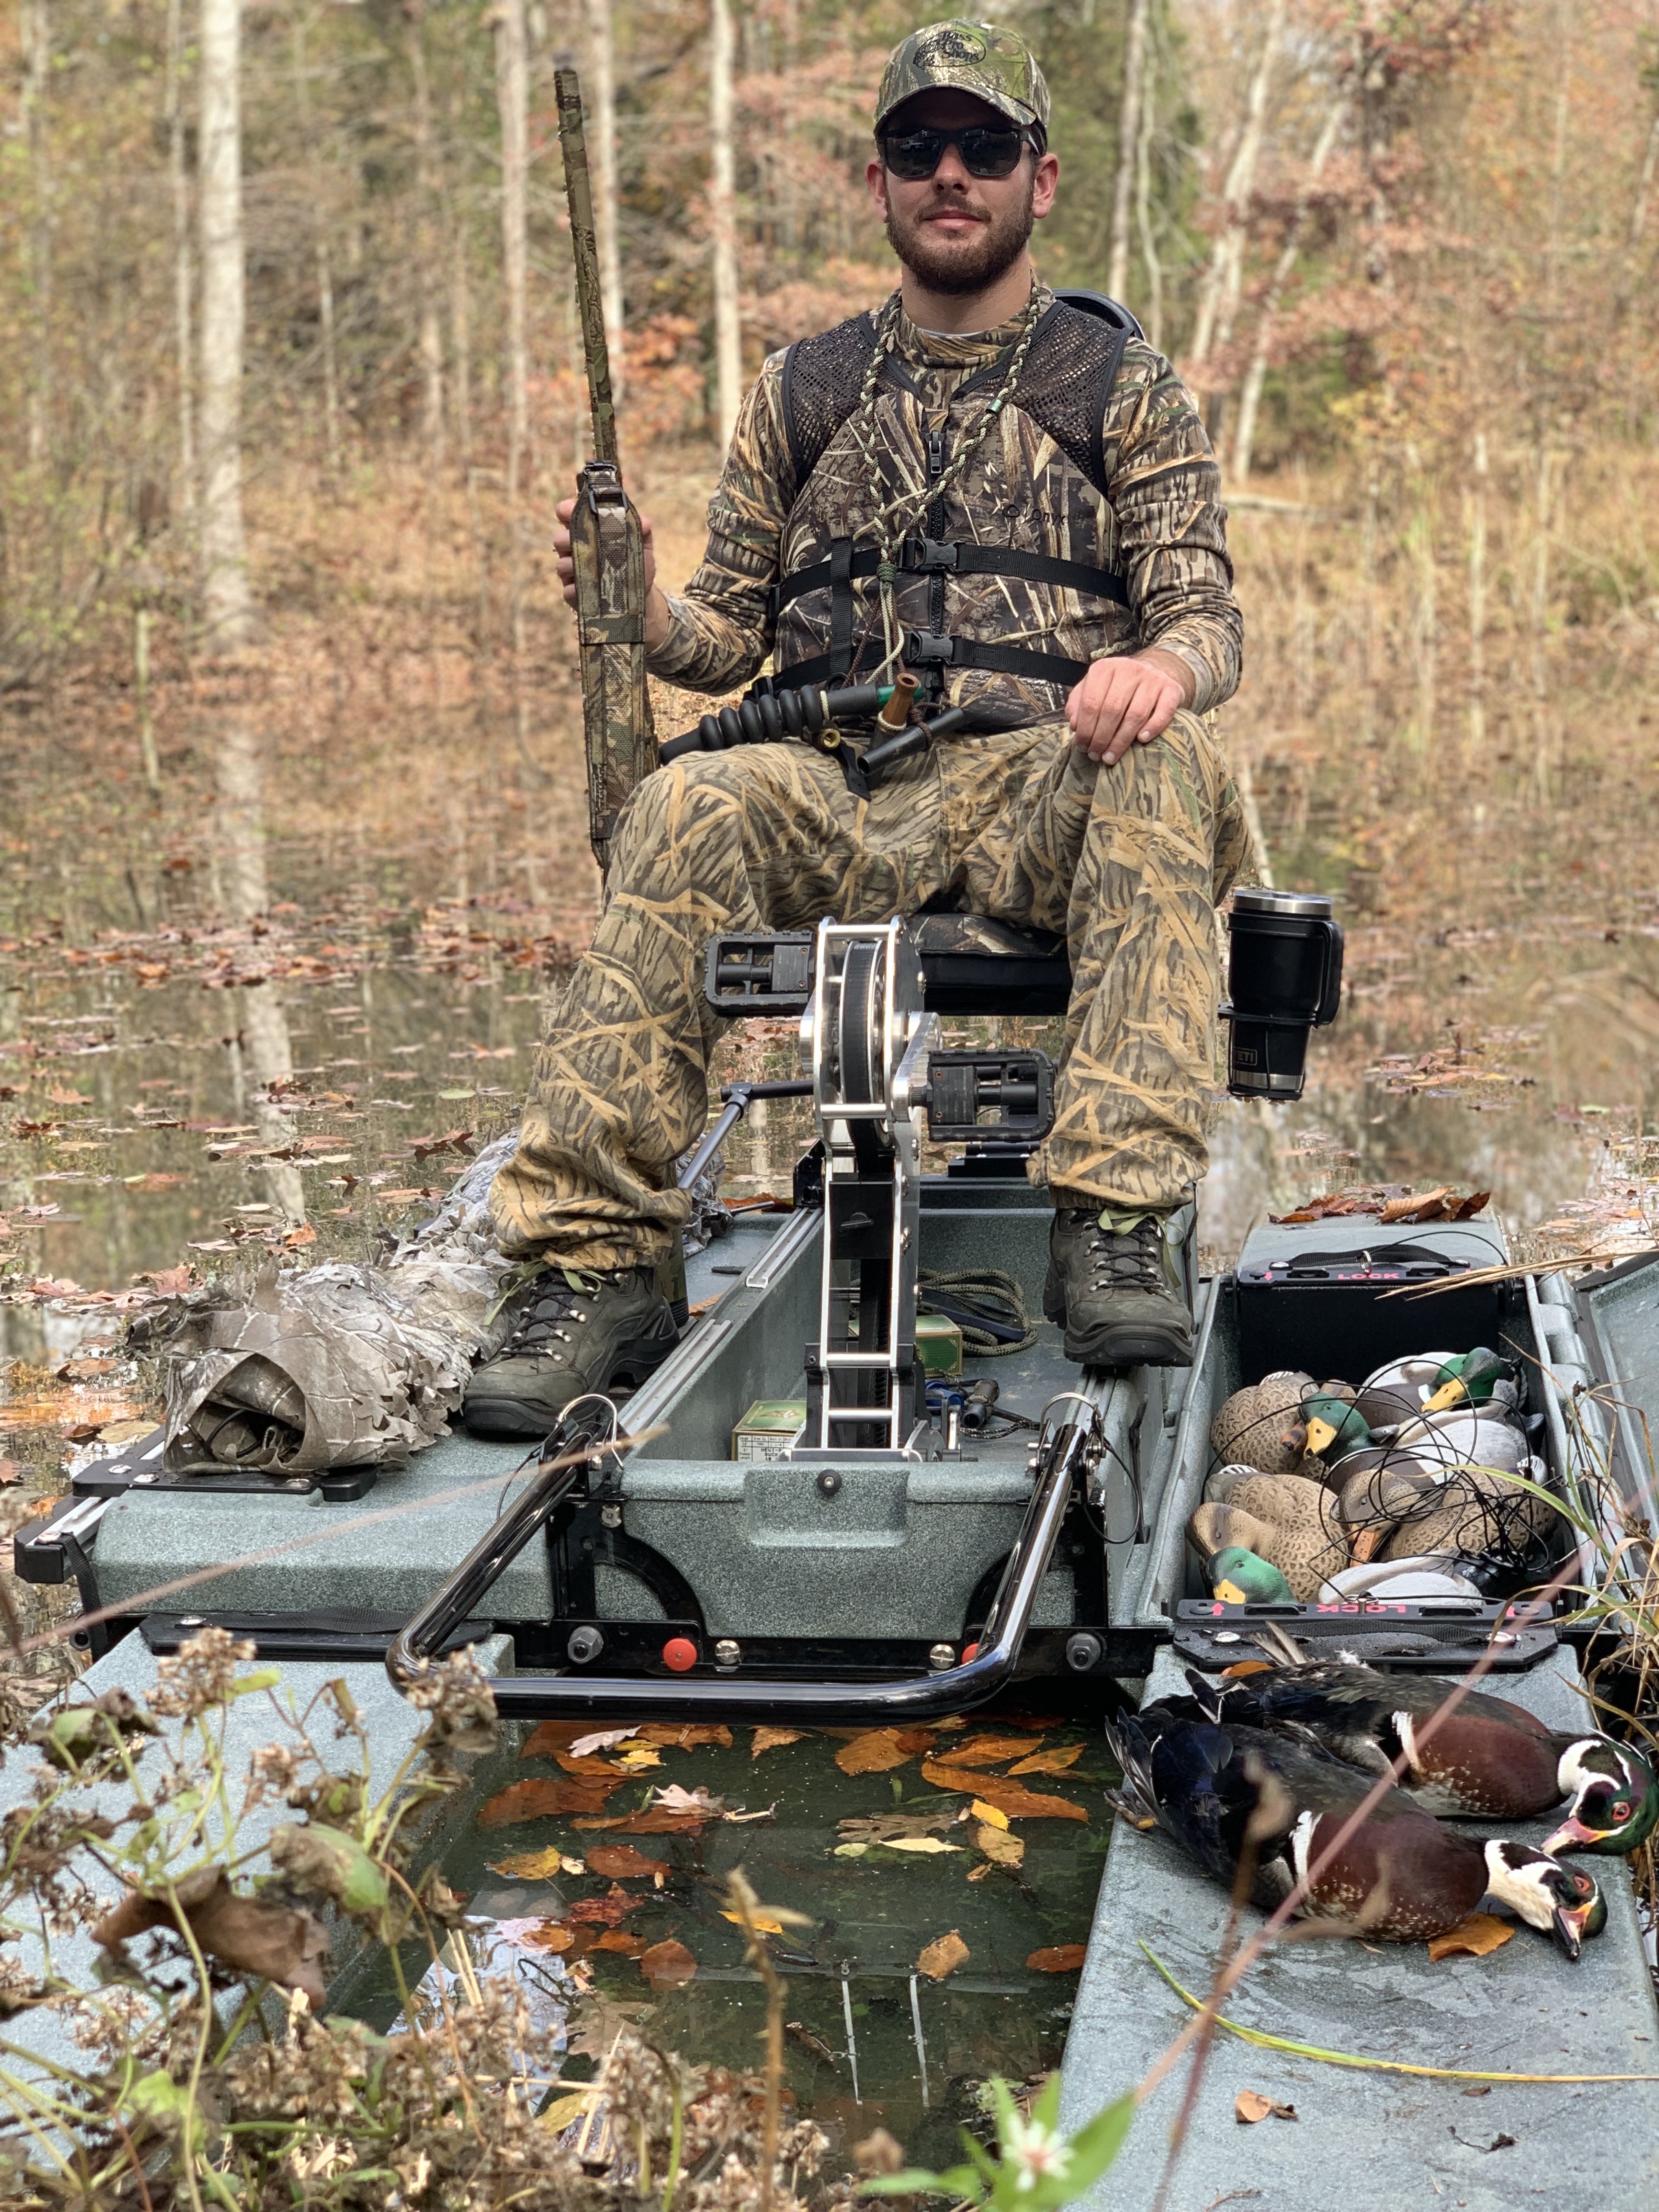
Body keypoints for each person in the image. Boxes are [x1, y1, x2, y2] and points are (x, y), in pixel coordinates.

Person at [464, 16, 1248, 1437]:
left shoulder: (1119, 386)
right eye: (918, 148)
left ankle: (1117, 1217)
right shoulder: (801, 393)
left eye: (985, 147)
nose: (953, 173)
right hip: (838, 792)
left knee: (1172, 759)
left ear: (1041, 178)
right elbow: (720, 638)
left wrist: (1163, 676)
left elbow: (1206, 618)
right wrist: (637, 611)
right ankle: (597, 1263)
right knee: (686, 802)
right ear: (876, 185)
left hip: (1037, 796)